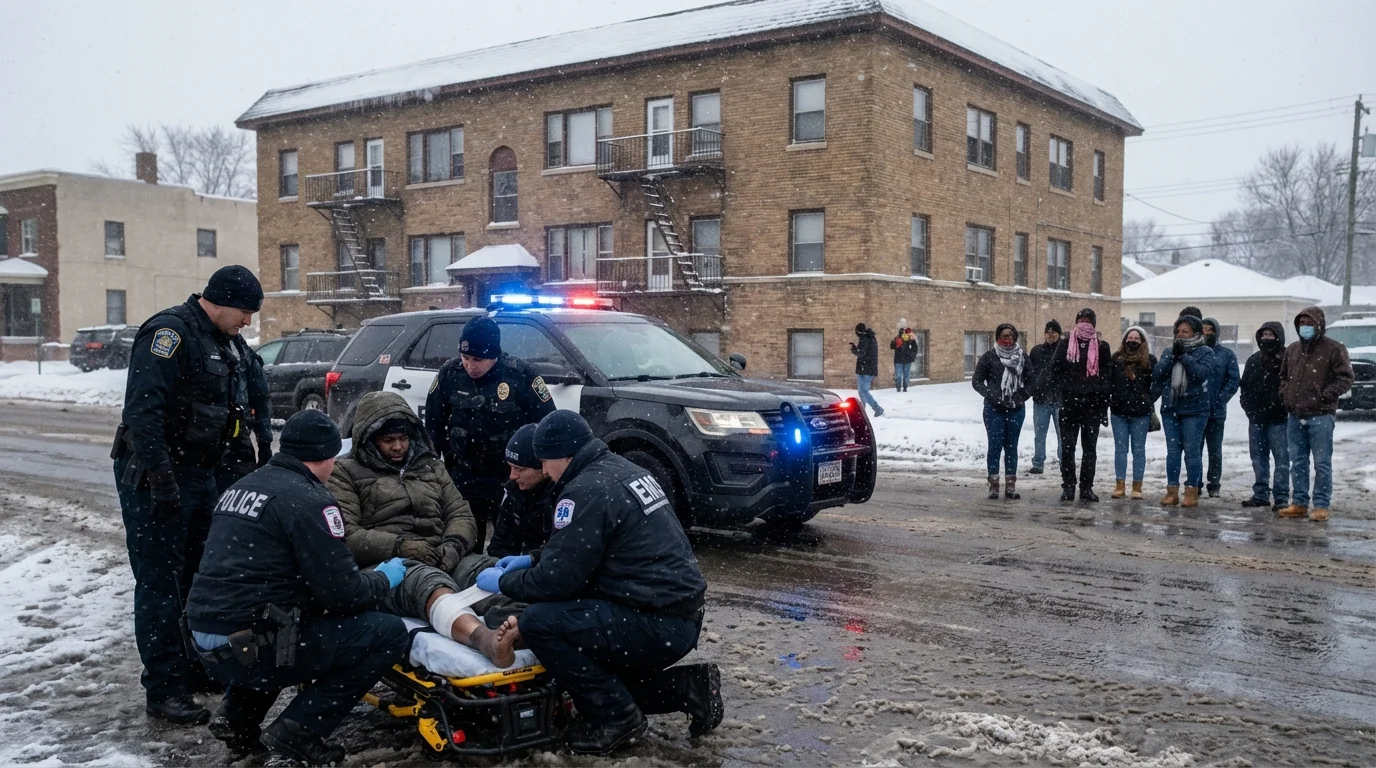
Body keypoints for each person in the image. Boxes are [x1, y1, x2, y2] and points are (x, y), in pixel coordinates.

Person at [479, 410, 723, 755]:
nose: (545, 471)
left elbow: (556, 583)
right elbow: (589, 546)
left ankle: (617, 718)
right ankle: (686, 688)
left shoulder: (584, 489)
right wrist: (533, 558)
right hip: (674, 614)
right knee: (589, 671)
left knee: (540, 624)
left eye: (546, 462)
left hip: (654, 620)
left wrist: (507, 582)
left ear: (564, 454)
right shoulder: (622, 470)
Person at [185, 410, 411, 764]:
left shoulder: (242, 486)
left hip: (206, 639)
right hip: (252, 647)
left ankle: (237, 717)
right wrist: (384, 577)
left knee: (277, 615)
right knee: (386, 634)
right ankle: (300, 730)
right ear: (327, 457)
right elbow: (344, 594)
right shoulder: (310, 501)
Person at [110, 264, 264, 725]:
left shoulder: (225, 341)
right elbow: (144, 411)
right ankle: (163, 688)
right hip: (157, 476)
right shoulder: (168, 334)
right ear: (218, 301)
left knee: (200, 577)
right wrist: (162, 480)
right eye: (245, 312)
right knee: (160, 583)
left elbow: (235, 406)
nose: (248, 322)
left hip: (202, 472)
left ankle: (196, 667)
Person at [328, 391, 517, 664]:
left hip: (440, 553)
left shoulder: (430, 466)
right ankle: (483, 639)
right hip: (389, 566)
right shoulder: (344, 472)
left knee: (491, 572)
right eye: (388, 440)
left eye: (403, 438)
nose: (398, 447)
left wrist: (454, 545)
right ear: (369, 440)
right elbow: (347, 535)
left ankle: (520, 630)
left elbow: (460, 512)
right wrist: (400, 546)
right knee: (426, 582)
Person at [425, 317, 556, 554]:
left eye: (478, 359)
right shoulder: (449, 374)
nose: (470, 365)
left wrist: (538, 470)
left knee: (508, 544)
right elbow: (433, 423)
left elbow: (546, 425)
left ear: (494, 355)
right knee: (465, 540)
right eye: (465, 358)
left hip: (509, 476)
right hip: (464, 474)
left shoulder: (520, 375)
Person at [1278, 307, 1354, 521]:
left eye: (1309, 323)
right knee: (1298, 461)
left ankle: (1320, 504)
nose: (1305, 327)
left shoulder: (1334, 349)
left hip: (1320, 415)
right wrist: (1286, 394)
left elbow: (1346, 377)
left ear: (1319, 324)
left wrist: (1325, 395)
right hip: (1295, 414)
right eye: (1302, 323)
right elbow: (1283, 377)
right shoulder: (1292, 350)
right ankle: (1300, 502)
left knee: (1322, 462)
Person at [1151, 315, 1216, 508]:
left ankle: (1191, 490)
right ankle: (1172, 491)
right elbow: (1157, 374)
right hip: (1171, 408)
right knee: (1172, 452)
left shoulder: (1206, 352)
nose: (1180, 335)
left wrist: (1184, 357)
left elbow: (1200, 374)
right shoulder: (1169, 351)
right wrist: (1173, 356)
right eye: (1178, 332)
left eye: (1185, 331)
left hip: (1195, 410)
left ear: (1195, 333)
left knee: (1192, 451)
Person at [1049, 309, 1113, 502]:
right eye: (1081, 320)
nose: (1084, 324)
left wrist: (1099, 398)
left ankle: (1086, 488)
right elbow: (1054, 371)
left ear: (1094, 324)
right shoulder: (1065, 344)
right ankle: (1068, 486)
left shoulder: (1102, 346)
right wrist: (1068, 388)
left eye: (1088, 321)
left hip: (1092, 406)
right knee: (1068, 448)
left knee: (1089, 450)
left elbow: (1106, 377)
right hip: (1069, 404)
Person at [971, 323, 1028, 500]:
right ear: (998, 337)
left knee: (1011, 448)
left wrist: (1020, 396)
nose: (1008, 339)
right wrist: (992, 395)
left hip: (1015, 409)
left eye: (1011, 336)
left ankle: (1010, 486)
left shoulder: (1022, 357)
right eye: (1004, 336)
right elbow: (977, 381)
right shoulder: (990, 357)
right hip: (994, 409)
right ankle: (993, 485)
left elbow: (1032, 381)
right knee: (995, 447)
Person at [1239, 322, 1290, 511]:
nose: (1267, 338)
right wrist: (1249, 409)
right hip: (1256, 419)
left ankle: (1281, 497)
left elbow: (1289, 386)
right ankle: (1261, 494)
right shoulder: (1254, 360)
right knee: (1258, 458)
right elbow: (1244, 387)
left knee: (1282, 459)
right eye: (1264, 335)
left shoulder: (1287, 359)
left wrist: (1281, 407)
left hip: (1280, 419)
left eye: (1271, 335)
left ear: (1279, 337)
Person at [488, 423, 556, 558]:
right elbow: (501, 543)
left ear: (543, 467)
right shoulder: (514, 493)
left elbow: (563, 554)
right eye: (510, 467)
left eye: (519, 469)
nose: (512, 476)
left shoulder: (564, 498)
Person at [214, 343, 273, 495]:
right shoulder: (198, 339)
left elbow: (261, 397)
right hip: (203, 440)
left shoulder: (241, 349)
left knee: (239, 495)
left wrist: (265, 442)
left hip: (237, 440)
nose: (246, 322)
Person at [1109, 327, 1158, 500]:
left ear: (1142, 341)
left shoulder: (1150, 361)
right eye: (1130, 337)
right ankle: (1119, 485)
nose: (1133, 340)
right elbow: (1108, 383)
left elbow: (1157, 384)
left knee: (1139, 450)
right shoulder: (1116, 359)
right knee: (1120, 450)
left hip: (1141, 414)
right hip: (1118, 412)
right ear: (1125, 340)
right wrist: (1113, 399)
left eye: (1137, 338)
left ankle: (1137, 486)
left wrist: (1148, 399)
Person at [1200, 317, 1241, 498]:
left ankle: (1214, 484)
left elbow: (1233, 381)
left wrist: (1220, 399)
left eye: (1210, 329)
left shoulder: (1226, 354)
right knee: (1195, 450)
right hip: (1195, 411)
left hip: (1216, 413)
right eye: (1203, 329)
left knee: (1214, 450)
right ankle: (1195, 483)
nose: (1207, 332)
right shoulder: (1196, 353)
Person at [1027, 320, 1063, 475]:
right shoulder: (1036, 351)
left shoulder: (1065, 350)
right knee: (1039, 434)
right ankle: (1038, 462)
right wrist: (1034, 387)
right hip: (1041, 400)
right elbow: (1028, 373)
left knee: (1063, 435)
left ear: (1058, 334)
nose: (1050, 335)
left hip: (1060, 400)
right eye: (1048, 332)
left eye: (1053, 332)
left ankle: (1065, 461)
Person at [850, 323, 884, 416]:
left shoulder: (865, 338)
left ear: (858, 331)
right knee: (862, 392)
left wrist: (854, 349)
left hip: (865, 369)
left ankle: (877, 408)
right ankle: (862, 412)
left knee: (863, 392)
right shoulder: (871, 337)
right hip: (867, 368)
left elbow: (861, 353)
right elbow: (865, 352)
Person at [890, 321, 918, 393]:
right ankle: (898, 388)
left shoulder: (909, 339)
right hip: (898, 360)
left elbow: (915, 347)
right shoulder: (897, 339)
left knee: (906, 375)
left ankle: (905, 388)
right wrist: (894, 342)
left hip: (907, 360)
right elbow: (891, 347)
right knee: (898, 375)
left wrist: (912, 355)